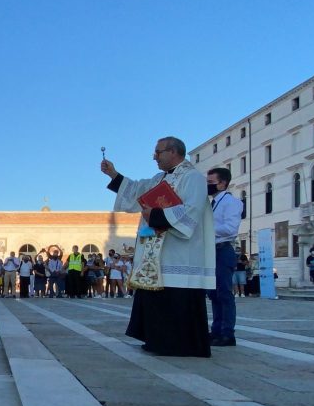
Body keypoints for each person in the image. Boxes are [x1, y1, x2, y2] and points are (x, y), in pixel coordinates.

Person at [101, 136, 214, 357]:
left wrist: (156, 215)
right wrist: (113, 174)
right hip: (156, 253)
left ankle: (181, 345)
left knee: (176, 298)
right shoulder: (158, 179)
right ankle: (157, 340)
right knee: (157, 299)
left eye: (158, 152)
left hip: (180, 252)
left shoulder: (193, 178)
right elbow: (136, 191)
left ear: (173, 152)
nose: (154, 156)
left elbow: (192, 210)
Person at [207, 167, 243, 347]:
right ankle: (216, 330)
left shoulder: (232, 203)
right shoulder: (212, 203)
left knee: (224, 293)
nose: (208, 186)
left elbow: (230, 229)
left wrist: (207, 229)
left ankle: (228, 332)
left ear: (222, 183)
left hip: (222, 250)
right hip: (211, 251)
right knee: (213, 294)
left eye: (211, 182)